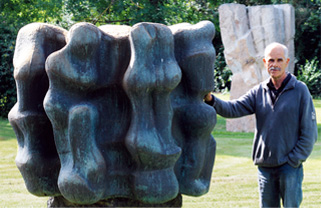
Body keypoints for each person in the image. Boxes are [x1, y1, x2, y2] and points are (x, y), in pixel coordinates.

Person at [204, 42, 318, 208]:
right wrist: (211, 100)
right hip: (265, 167)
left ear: (287, 62)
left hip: (290, 168)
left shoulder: (300, 90)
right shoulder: (259, 91)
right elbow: (233, 109)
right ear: (265, 62)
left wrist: (294, 160)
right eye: (271, 60)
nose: (275, 64)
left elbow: (309, 132)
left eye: (279, 60)